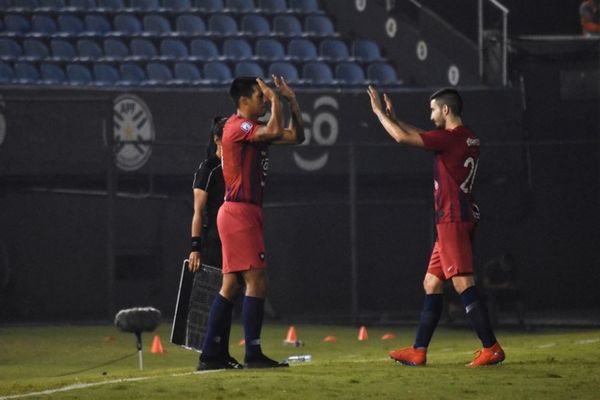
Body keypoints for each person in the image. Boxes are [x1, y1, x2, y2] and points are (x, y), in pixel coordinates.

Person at [367, 86, 505, 367]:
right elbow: (422, 135)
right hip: (457, 215)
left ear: (446, 109)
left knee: (463, 283)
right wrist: (398, 117)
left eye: (432, 110)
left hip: (453, 218)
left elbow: (402, 138)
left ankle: (491, 347)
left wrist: (380, 114)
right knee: (431, 282)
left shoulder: (451, 139)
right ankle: (419, 351)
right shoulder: (467, 137)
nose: (430, 116)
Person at [198, 75, 304, 370]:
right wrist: (275, 99)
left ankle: (211, 354)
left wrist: (291, 102)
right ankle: (253, 353)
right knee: (257, 282)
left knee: (230, 285)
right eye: (259, 96)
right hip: (239, 212)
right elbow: (272, 130)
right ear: (244, 101)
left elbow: (297, 136)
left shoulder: (253, 129)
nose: (263, 99)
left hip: (243, 212)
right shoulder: (238, 127)